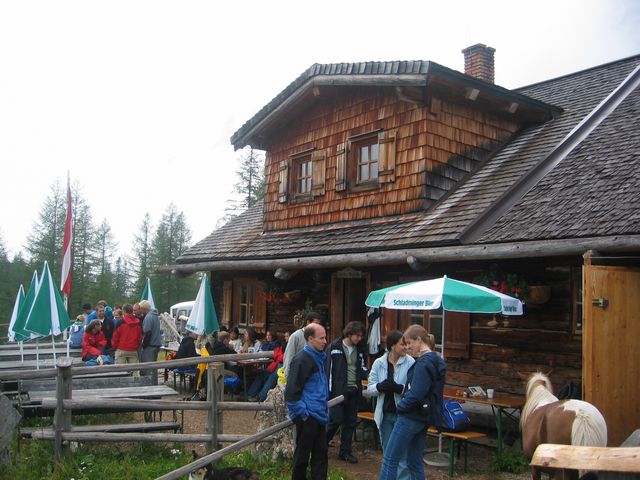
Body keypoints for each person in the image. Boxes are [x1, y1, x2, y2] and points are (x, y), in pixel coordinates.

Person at [378, 325, 447, 480]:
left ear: (419, 340)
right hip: (423, 417)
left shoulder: (423, 362)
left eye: (409, 343)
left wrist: (401, 407)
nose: (408, 347)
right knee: (414, 461)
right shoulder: (436, 359)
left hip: (411, 416)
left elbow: (417, 393)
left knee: (390, 459)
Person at [367, 330, 415, 480]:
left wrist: (399, 388)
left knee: (403, 454)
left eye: (407, 344)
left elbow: (414, 389)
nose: (406, 347)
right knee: (388, 453)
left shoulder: (410, 362)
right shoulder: (379, 363)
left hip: (403, 415)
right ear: (393, 346)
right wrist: (380, 387)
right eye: (402, 344)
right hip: (385, 415)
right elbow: (370, 389)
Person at [285, 323, 329, 480]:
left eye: (325, 337)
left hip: (319, 414)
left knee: (321, 455)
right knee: (302, 457)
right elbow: (291, 392)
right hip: (308, 416)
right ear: (310, 339)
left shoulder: (319, 357)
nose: (325, 341)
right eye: (321, 338)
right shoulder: (301, 360)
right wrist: (303, 414)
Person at [326, 320, 367, 464]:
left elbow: (362, 367)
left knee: (350, 422)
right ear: (349, 333)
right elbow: (328, 370)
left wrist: (368, 374)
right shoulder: (334, 347)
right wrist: (329, 391)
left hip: (354, 390)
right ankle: (321, 445)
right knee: (335, 420)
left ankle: (345, 452)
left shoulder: (360, 349)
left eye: (361, 336)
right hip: (338, 391)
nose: (359, 338)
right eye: (357, 335)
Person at [283, 312, 323, 378]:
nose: (317, 327)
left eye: (319, 325)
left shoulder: (317, 338)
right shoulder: (296, 336)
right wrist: (288, 376)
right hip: (297, 374)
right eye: (315, 324)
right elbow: (289, 356)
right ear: (308, 322)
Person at [247, 337, 285, 401]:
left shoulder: (288, 347)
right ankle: (251, 394)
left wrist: (278, 356)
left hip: (283, 366)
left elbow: (281, 357)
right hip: (275, 364)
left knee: (271, 378)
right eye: (285, 336)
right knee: (261, 375)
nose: (286, 338)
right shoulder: (280, 347)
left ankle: (260, 397)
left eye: (287, 336)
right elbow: (276, 354)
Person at [139, 300, 163, 381]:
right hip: (156, 344)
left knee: (148, 367)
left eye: (140, 308)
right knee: (154, 367)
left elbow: (148, 333)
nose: (140, 310)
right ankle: (154, 382)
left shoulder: (148, 317)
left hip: (150, 345)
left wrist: (144, 345)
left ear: (144, 308)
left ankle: (148, 383)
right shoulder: (155, 316)